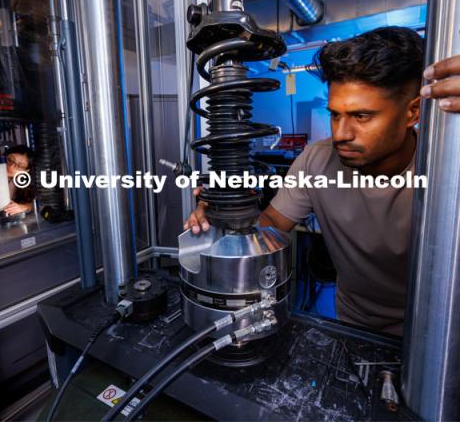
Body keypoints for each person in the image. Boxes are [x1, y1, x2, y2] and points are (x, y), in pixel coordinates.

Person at [184, 26, 460, 336]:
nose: (341, 134)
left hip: (438, 334)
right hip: (353, 324)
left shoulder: (448, 167)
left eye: (362, 116)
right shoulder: (317, 160)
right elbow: (272, 222)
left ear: (412, 113)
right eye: (335, 115)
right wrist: (230, 217)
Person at [3, 145, 35, 216]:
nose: (11, 167)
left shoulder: (23, 184)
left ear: (26, 171)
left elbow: (36, 205)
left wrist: (24, 207)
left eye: (20, 166)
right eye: (10, 160)